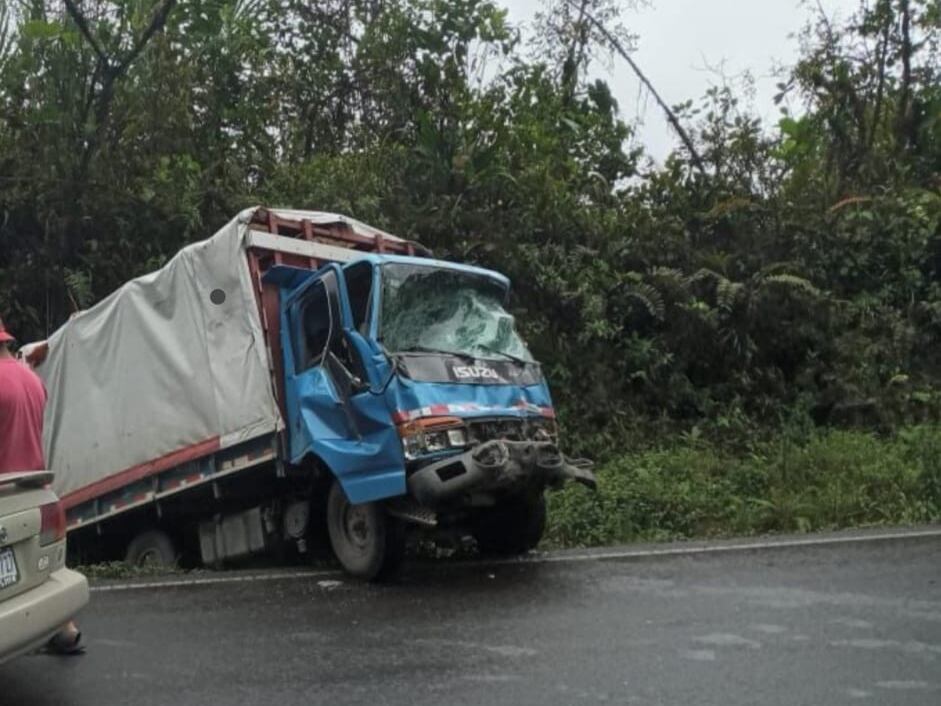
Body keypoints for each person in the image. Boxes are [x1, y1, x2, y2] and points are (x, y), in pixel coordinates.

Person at [0, 315, 83, 655]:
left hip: (2, 493)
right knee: (38, 569)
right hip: (32, 489)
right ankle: (64, 628)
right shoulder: (31, 379)